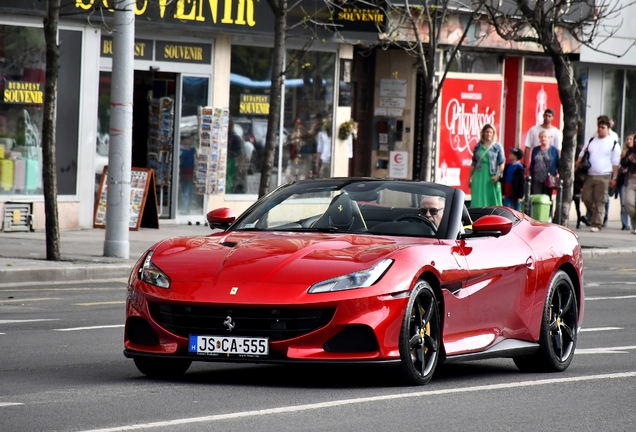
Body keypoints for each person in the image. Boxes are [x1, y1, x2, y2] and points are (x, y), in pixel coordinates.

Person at [576, 115, 621, 232]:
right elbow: (582, 153)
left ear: (608, 128)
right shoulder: (591, 140)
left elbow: (615, 163)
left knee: (600, 200)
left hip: (604, 175)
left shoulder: (613, 143)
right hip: (590, 175)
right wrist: (578, 162)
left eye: (603, 127)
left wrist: (614, 178)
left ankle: (597, 224)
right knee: (586, 197)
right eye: (599, 127)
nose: (600, 129)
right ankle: (594, 216)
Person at [469, 124, 505, 207]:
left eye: (490, 132)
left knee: (493, 198)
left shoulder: (497, 146)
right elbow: (474, 163)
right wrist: (469, 177)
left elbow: (501, 163)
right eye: (487, 132)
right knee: (478, 197)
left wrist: (498, 176)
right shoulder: (478, 146)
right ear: (483, 133)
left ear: (493, 134)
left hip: (491, 175)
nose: (488, 134)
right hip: (478, 175)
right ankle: (477, 216)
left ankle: (495, 216)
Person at [530, 130, 560, 196]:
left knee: (547, 198)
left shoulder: (554, 150)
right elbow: (532, 163)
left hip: (548, 178)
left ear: (549, 138)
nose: (543, 138)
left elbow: (558, 163)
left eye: (545, 137)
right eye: (541, 137)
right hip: (537, 178)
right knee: (536, 197)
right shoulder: (535, 149)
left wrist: (558, 174)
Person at [618, 133, 635, 231]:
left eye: (631, 139)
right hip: (628, 180)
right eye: (627, 139)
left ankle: (632, 225)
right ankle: (627, 223)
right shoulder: (628, 152)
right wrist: (628, 160)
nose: (629, 141)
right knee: (627, 203)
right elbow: (623, 164)